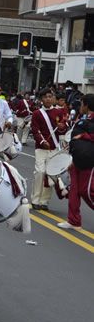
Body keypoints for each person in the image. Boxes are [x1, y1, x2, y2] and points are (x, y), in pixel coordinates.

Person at [58, 94, 94, 230]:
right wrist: (73, 159)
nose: (80, 106)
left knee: (86, 191)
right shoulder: (82, 118)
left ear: (86, 105)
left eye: (82, 103)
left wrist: (83, 136)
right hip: (78, 159)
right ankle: (73, 221)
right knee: (74, 191)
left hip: (89, 160)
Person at [31, 89, 70, 211]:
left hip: (54, 148)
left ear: (53, 98)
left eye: (50, 96)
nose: (48, 99)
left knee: (51, 174)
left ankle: (44, 201)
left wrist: (62, 127)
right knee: (40, 172)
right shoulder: (37, 113)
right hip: (41, 148)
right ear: (41, 99)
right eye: (45, 97)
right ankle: (35, 200)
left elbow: (64, 129)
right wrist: (42, 142)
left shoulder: (58, 112)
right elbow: (35, 130)